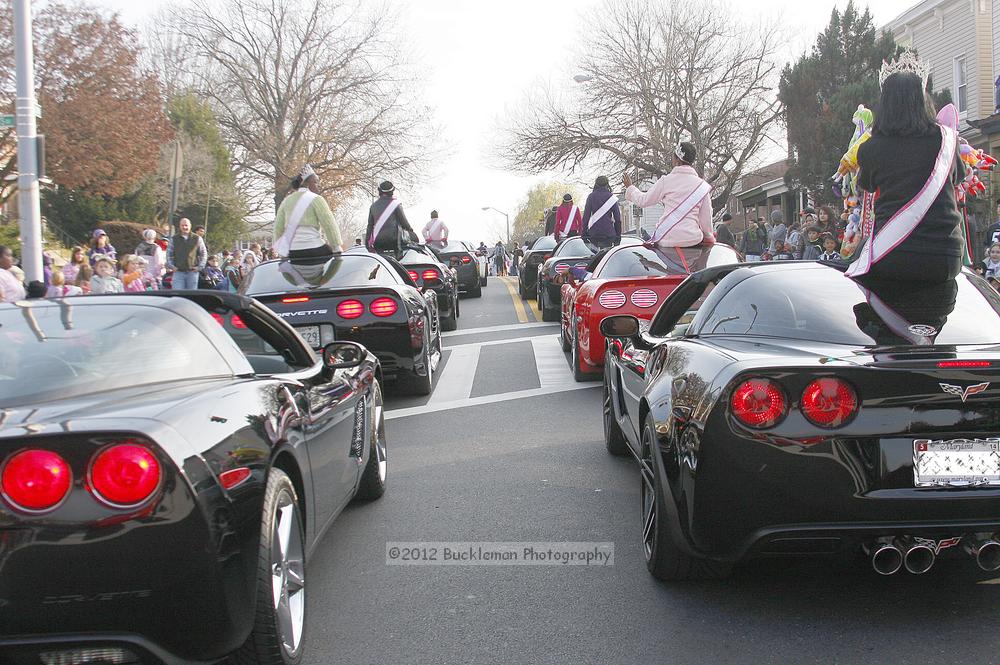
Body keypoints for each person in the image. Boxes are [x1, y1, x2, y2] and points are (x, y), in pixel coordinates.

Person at [850, 60, 967, 282]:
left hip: (894, 252)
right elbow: (958, 178)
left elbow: (866, 185)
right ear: (924, 100)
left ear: (884, 104)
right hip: (946, 256)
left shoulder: (871, 148)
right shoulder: (947, 140)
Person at [623, 142, 714, 247]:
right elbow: (706, 219)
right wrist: (708, 237)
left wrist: (630, 188)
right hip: (692, 240)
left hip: (667, 239)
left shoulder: (666, 181)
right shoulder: (701, 186)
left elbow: (643, 200)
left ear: (677, 160)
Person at [273, 164, 344, 258]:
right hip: (315, 248)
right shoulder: (317, 199)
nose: (318, 186)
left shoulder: (286, 201)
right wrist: (336, 246)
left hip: (292, 251)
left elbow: (278, 228)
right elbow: (329, 224)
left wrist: (280, 251)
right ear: (308, 183)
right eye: (315, 182)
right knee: (333, 264)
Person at [366, 180, 417, 254]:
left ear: (379, 191)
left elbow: (370, 226)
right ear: (392, 191)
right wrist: (411, 232)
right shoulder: (396, 205)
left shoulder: (373, 206)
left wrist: (367, 243)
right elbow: (404, 223)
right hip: (394, 241)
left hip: (378, 242)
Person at [166, 217, 208, 290]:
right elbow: (169, 254)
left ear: (190, 226)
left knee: (191, 296)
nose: (184, 227)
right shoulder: (174, 239)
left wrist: (200, 267)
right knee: (177, 295)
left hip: (192, 273)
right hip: (178, 272)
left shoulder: (197, 238)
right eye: (182, 225)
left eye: (186, 225)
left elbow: (203, 253)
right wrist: (172, 266)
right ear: (180, 226)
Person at [581, 176, 622, 248]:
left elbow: (586, 217)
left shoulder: (591, 197)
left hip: (594, 233)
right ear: (607, 184)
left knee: (595, 256)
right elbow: (617, 218)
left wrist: (584, 233)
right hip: (608, 233)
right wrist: (618, 235)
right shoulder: (611, 197)